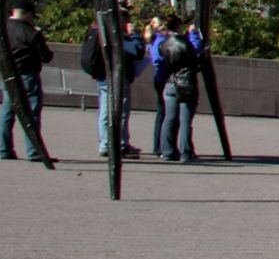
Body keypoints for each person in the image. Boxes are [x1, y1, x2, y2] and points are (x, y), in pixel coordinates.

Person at [84, 13, 145, 157]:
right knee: (120, 112)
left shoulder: (98, 33)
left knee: (105, 113)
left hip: (103, 77)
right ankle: (120, 145)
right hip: (117, 78)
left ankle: (106, 143)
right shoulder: (116, 37)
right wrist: (134, 34)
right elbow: (137, 50)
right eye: (126, 19)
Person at [0, 5, 53, 162]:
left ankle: (4, 149)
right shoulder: (31, 32)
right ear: (27, 14)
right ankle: (34, 151)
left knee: (7, 112)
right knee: (32, 114)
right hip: (27, 75)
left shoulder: (1, 29)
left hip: (8, 73)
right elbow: (46, 56)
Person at [151, 15, 201, 163]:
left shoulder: (163, 44)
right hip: (185, 83)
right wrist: (193, 35)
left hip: (170, 82)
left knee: (169, 118)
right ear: (179, 27)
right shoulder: (184, 43)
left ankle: (167, 151)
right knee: (185, 120)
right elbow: (195, 55)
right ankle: (186, 153)